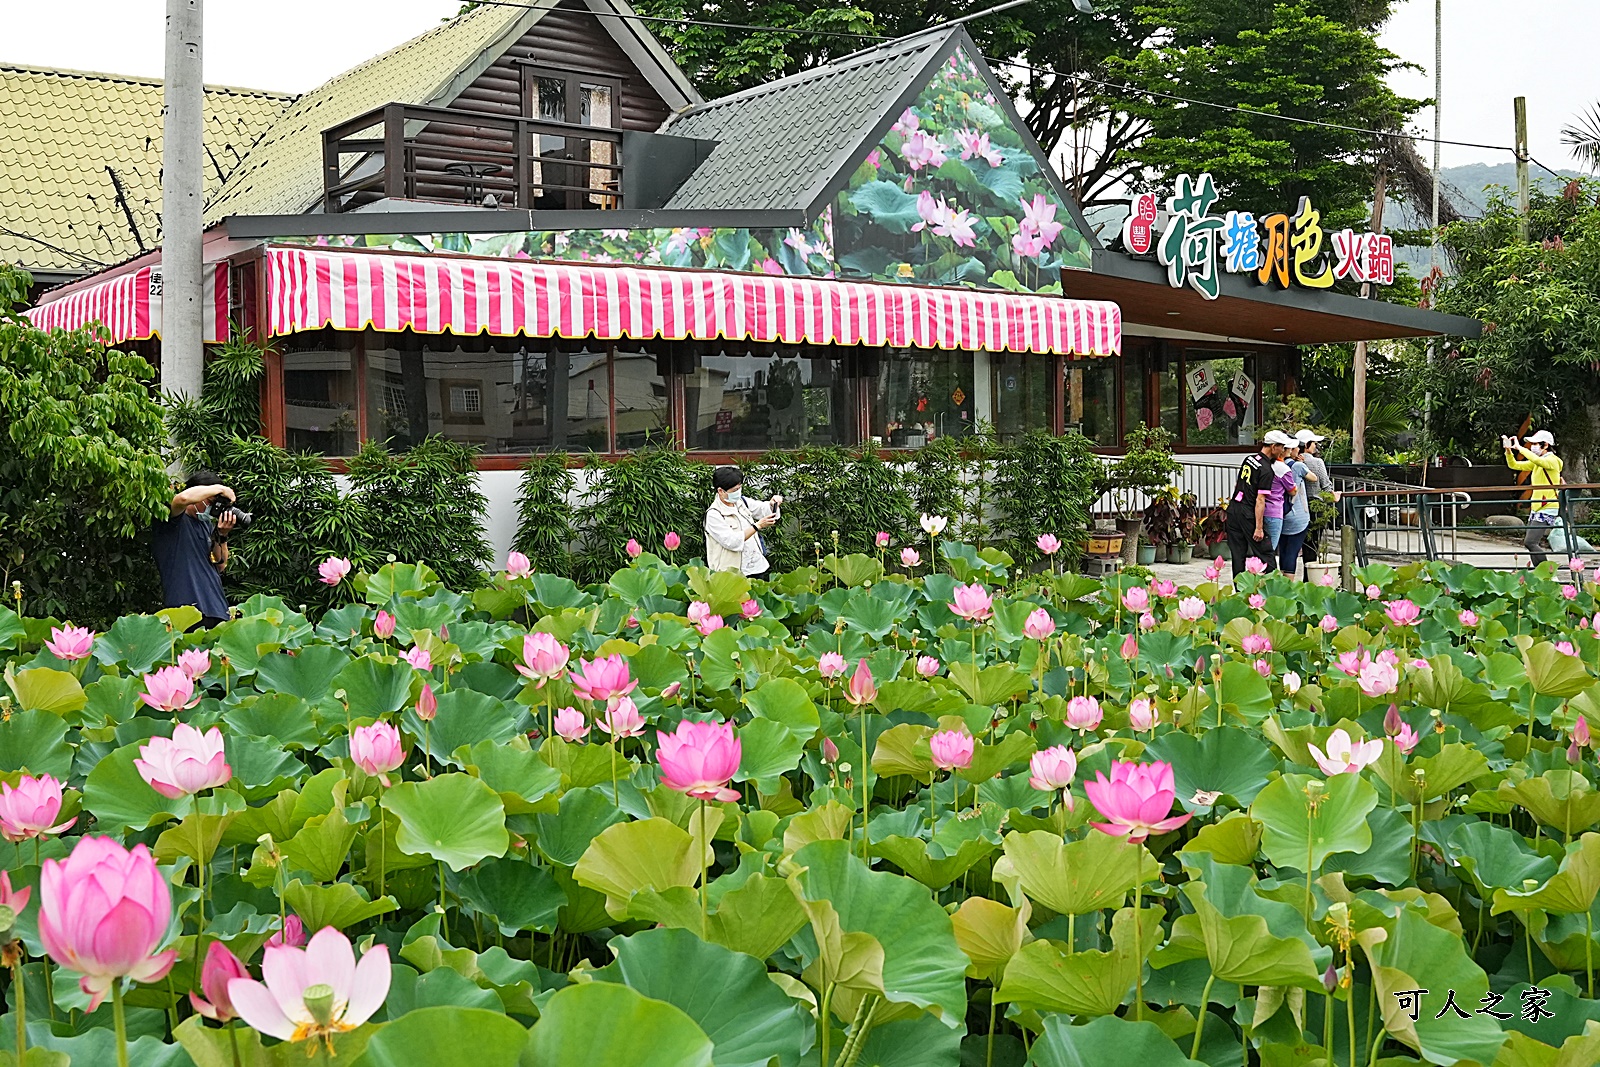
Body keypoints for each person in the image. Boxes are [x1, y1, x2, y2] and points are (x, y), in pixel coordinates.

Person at [153, 471, 237, 628]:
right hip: (186, 609)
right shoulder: (171, 519)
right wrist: (220, 489)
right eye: (211, 502)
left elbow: (220, 564)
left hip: (217, 609)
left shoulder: (206, 525)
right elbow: (182, 499)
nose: (213, 508)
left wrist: (222, 535)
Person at [1225, 431, 1290, 576]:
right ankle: (1272, 591)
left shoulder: (1249, 459)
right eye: (1282, 447)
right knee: (1266, 554)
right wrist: (1259, 528)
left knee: (1238, 555)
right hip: (1248, 513)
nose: (1283, 451)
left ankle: (1240, 590)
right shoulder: (1266, 470)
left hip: (1234, 509)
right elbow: (1260, 500)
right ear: (1273, 447)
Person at [704, 466, 782, 580]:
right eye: (734, 490)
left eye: (739, 488)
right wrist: (757, 526)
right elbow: (732, 541)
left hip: (757, 566)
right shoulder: (714, 514)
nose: (738, 492)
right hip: (733, 573)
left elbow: (762, 509)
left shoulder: (741, 501)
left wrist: (772, 504)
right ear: (720, 491)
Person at [1504, 430, 1564, 566]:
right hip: (1537, 507)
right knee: (1531, 543)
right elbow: (1514, 465)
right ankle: (1540, 573)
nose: (1532, 446)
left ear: (1546, 445)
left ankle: (1548, 572)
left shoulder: (1553, 461)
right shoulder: (1539, 462)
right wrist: (1508, 451)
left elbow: (1536, 460)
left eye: (1536, 444)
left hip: (1548, 507)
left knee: (1530, 542)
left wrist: (1519, 448)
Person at [1295, 429, 1336, 562]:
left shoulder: (1292, 462)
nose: (1315, 446)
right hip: (1316, 506)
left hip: (1299, 506)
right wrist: (1333, 496)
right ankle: (1310, 576)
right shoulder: (1317, 462)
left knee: (1303, 542)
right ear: (1306, 445)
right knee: (1313, 543)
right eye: (1313, 443)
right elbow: (1326, 485)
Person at [1278, 444, 1312, 579]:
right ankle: (1289, 584)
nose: (1299, 450)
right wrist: (1302, 464)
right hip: (1297, 515)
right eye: (1297, 447)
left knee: (1284, 551)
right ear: (1290, 450)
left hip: (1280, 513)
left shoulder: (1275, 465)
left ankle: (1281, 582)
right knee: (1293, 551)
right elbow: (1314, 477)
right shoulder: (1297, 466)